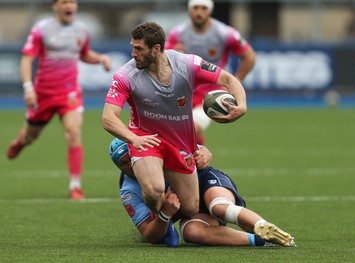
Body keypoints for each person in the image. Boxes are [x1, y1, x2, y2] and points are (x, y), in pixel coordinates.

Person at [102, 22, 247, 219]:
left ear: (156, 49)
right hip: (146, 140)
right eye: (132, 47)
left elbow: (229, 80)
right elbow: (108, 118)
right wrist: (132, 139)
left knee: (190, 208)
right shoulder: (125, 75)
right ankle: (160, 221)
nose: (133, 54)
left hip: (179, 143)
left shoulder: (187, 65)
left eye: (138, 49)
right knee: (154, 190)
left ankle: (163, 215)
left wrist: (242, 105)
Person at [6, 0, 111, 200]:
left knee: (73, 132)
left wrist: (100, 58)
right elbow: (27, 59)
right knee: (31, 137)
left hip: (69, 93)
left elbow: (83, 53)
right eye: (64, 2)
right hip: (43, 93)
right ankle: (21, 140)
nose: (68, 5)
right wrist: (28, 88)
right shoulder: (41, 30)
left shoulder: (82, 30)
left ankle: (75, 186)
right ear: (55, 6)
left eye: (71, 1)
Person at [109, 138, 296, 247]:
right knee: (191, 233)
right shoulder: (129, 190)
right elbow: (148, 234)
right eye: (123, 163)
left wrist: (205, 154)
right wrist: (165, 214)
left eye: (131, 157)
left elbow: (201, 150)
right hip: (192, 210)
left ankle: (263, 225)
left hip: (206, 182)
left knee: (219, 208)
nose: (130, 165)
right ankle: (263, 240)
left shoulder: (159, 148)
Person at [165, 0, 256, 145]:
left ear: (210, 11)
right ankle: (197, 151)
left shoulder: (225, 33)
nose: (199, 12)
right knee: (173, 132)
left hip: (211, 95)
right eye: (195, 8)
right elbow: (163, 60)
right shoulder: (178, 33)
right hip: (183, 91)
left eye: (203, 8)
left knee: (191, 129)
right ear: (189, 10)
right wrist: (173, 52)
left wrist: (234, 83)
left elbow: (249, 57)